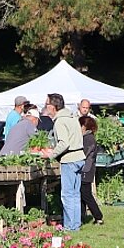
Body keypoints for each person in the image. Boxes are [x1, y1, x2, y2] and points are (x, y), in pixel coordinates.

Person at [48, 93, 86, 230]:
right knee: (75, 194)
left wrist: (51, 154)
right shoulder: (73, 117)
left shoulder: (60, 121)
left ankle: (70, 226)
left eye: (47, 105)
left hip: (69, 159)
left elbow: (64, 143)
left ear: (53, 107)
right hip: (80, 157)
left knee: (67, 195)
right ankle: (76, 224)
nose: (46, 108)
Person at [80, 114, 105, 225]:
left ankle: (98, 216)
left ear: (84, 126)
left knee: (86, 194)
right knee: (82, 194)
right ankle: (81, 217)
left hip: (86, 169)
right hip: (87, 169)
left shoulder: (88, 139)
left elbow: (84, 153)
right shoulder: (88, 137)